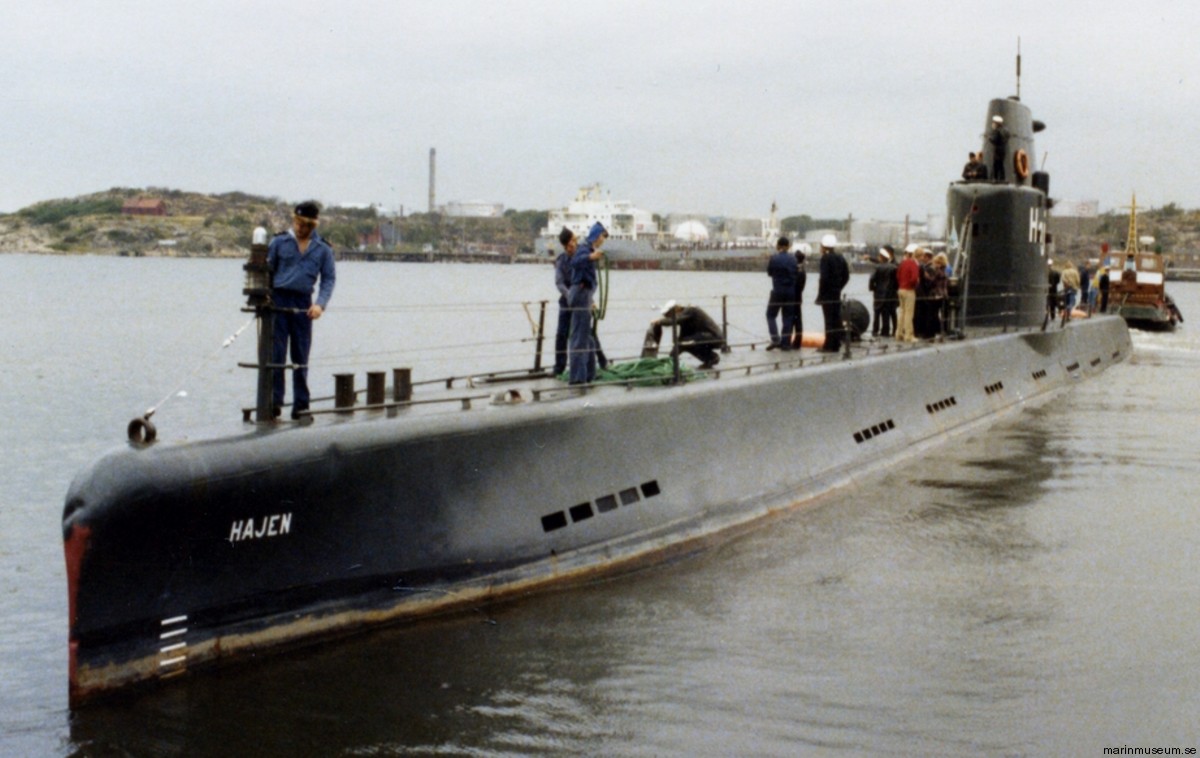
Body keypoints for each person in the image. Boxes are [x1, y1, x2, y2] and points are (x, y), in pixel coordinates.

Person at [269, 200, 336, 420]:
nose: (300, 228)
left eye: (305, 224)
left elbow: (328, 279)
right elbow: (266, 272)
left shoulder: (323, 249)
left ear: (313, 225)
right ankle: (274, 402)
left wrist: (320, 304)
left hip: (303, 304)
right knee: (277, 356)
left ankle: (300, 404)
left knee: (300, 357)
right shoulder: (279, 242)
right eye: (298, 222)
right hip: (278, 301)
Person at [567, 221, 607, 384]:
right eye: (602, 237)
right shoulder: (584, 249)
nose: (603, 241)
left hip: (585, 295)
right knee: (580, 338)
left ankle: (590, 373)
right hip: (581, 293)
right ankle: (578, 378)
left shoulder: (587, 249)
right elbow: (575, 262)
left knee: (587, 338)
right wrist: (591, 257)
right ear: (597, 236)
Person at [643, 300, 726, 368]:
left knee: (685, 343)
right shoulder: (685, 318)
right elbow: (681, 341)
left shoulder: (690, 311)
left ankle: (674, 368)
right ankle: (711, 358)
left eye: (668, 315)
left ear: (675, 309)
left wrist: (659, 321)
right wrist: (672, 355)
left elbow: (675, 320)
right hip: (705, 337)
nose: (668, 317)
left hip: (713, 336)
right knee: (685, 344)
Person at [816, 234, 850, 352]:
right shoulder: (840, 258)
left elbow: (823, 278)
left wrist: (820, 295)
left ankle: (828, 345)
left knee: (828, 320)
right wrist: (839, 287)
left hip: (827, 294)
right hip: (836, 293)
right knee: (836, 318)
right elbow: (846, 276)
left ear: (824, 246)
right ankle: (836, 343)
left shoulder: (825, 259)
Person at [765, 236, 798, 350]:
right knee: (788, 317)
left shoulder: (774, 258)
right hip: (790, 292)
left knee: (770, 315)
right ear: (788, 246)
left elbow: (769, 272)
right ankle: (785, 343)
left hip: (777, 290)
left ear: (778, 245)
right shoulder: (793, 259)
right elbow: (796, 273)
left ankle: (775, 339)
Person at [552, 227, 576, 375]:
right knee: (561, 334)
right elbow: (559, 282)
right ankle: (559, 366)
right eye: (572, 240)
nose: (575, 243)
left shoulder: (582, 256)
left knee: (585, 334)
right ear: (566, 244)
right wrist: (569, 295)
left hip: (581, 299)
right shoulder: (561, 260)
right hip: (567, 300)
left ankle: (599, 361)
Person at [868, 245, 898, 338]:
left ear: (881, 257)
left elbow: (872, 279)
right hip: (890, 294)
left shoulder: (877, 267)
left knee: (877, 313)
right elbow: (896, 281)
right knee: (886, 314)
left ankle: (875, 331)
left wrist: (872, 288)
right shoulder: (893, 267)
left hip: (878, 293)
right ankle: (886, 331)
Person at [896, 244, 920, 342]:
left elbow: (897, 276)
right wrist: (913, 284)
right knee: (909, 314)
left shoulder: (902, 263)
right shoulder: (913, 264)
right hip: (909, 290)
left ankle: (899, 333)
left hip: (901, 289)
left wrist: (902, 283)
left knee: (902, 312)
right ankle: (908, 335)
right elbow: (914, 278)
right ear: (913, 254)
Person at [788, 244, 810, 348]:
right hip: (798, 298)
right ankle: (798, 341)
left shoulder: (795, 271)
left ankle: (789, 341)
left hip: (792, 298)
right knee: (798, 321)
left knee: (790, 320)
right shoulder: (803, 272)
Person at [929, 253, 950, 338]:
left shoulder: (938, 272)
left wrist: (927, 277)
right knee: (943, 314)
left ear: (940, 263)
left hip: (936, 295)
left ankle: (935, 330)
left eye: (936, 263)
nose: (934, 264)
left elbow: (932, 282)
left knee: (934, 313)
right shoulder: (945, 271)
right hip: (943, 294)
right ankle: (943, 330)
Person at [987, 115, 1008, 182]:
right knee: (1001, 165)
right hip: (1003, 150)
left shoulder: (998, 131)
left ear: (997, 123)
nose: (993, 124)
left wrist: (989, 138)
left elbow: (995, 140)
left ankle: (995, 178)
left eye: (993, 123)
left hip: (998, 151)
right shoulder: (1005, 131)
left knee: (996, 164)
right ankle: (1002, 178)